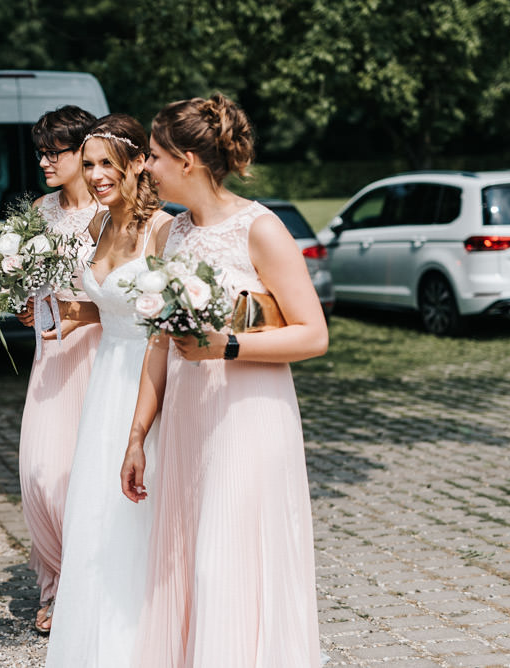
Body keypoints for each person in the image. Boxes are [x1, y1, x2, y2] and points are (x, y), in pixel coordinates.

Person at [120, 94, 328, 667]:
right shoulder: (168, 235)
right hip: (189, 422)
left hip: (249, 417)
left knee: (227, 561)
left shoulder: (261, 228)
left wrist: (228, 344)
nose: (146, 168)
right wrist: (138, 435)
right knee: (189, 560)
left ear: (187, 160)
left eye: (154, 157)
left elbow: (313, 334)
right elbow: (157, 345)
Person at [45, 114, 172, 667]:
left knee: (139, 514)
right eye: (90, 163)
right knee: (93, 514)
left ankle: (143, 642)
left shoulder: (163, 230)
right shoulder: (98, 227)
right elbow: (107, 304)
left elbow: (167, 322)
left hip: (148, 376)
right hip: (105, 381)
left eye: (106, 164)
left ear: (139, 162)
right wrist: (65, 311)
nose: (96, 175)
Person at [16, 105, 103, 633]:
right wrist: (28, 304)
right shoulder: (38, 212)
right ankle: (55, 577)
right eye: (41, 152)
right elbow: (35, 283)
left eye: (55, 152)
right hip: (50, 357)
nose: (45, 160)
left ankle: (75, 589)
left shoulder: (111, 210)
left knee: (87, 477)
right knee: (41, 473)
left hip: (100, 353)